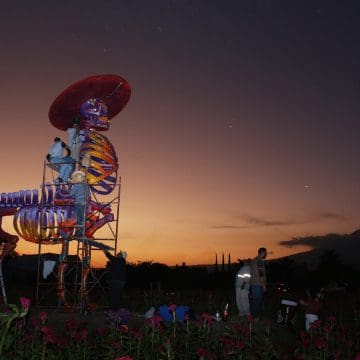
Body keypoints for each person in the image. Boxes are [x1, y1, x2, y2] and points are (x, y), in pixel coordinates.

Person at [69, 171, 90, 237]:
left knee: (79, 219)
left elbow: (71, 194)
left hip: (79, 203)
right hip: (85, 204)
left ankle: (78, 233)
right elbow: (88, 194)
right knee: (83, 219)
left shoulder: (76, 186)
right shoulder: (86, 186)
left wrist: (70, 187)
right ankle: (81, 232)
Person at [250, 247, 267, 320]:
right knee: (258, 300)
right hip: (258, 284)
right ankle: (256, 317)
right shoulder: (259, 261)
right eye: (265, 252)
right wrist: (264, 286)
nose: (266, 254)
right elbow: (260, 274)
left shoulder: (253, 260)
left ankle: (252, 315)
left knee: (254, 300)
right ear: (262, 252)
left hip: (253, 283)